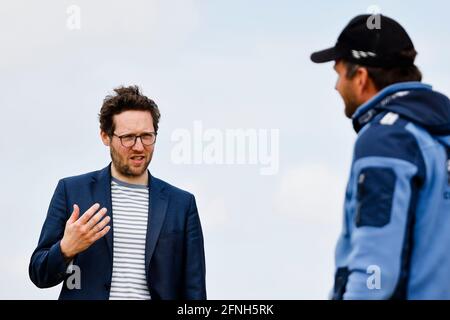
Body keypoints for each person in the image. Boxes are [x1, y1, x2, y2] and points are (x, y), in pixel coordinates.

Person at [311, 14, 450, 299]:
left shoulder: (386, 139)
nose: (336, 86)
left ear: (360, 77)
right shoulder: (438, 135)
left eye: (338, 73)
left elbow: (375, 272)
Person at [29, 85, 206, 300]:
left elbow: (195, 291)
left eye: (147, 136)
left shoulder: (182, 204)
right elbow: (39, 274)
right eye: (128, 137)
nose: (139, 147)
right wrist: (66, 249)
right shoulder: (71, 191)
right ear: (105, 136)